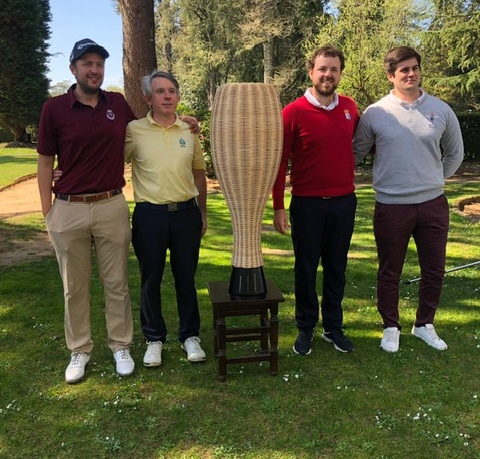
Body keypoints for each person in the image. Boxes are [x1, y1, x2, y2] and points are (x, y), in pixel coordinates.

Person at [353, 46, 464, 353]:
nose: (411, 73)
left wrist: (435, 179)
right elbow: (354, 153)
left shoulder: (441, 110)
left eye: (414, 68)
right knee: (390, 270)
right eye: (404, 70)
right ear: (391, 76)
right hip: (391, 206)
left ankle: (424, 324)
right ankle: (391, 326)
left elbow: (455, 152)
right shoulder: (375, 113)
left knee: (434, 268)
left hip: (433, 205)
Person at [37, 39, 136, 383]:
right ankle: (79, 349)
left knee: (117, 282)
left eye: (99, 64)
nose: (95, 70)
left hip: (111, 204)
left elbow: (145, 132)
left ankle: (120, 345)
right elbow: (45, 161)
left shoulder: (118, 104)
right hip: (68, 209)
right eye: (87, 64)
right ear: (73, 70)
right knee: (74, 287)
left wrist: (179, 119)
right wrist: (48, 213)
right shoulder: (54, 108)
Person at [272, 45, 359, 355]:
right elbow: (280, 161)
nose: (328, 74)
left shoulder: (350, 108)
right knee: (306, 268)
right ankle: (305, 328)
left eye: (334, 69)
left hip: (344, 201)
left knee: (337, 267)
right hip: (307, 204)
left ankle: (333, 328)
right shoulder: (293, 112)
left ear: (340, 73)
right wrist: (279, 206)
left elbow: (361, 146)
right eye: (322, 68)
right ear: (311, 72)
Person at [124, 70, 208, 367]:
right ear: (148, 98)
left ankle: (190, 336)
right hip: (150, 217)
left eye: (172, 90)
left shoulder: (189, 131)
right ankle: (154, 339)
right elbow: (106, 158)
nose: (167, 96)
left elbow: (199, 173)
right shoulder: (133, 130)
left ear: (178, 97)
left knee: (186, 278)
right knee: (151, 279)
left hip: (186, 214)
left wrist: (203, 212)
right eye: (160, 91)